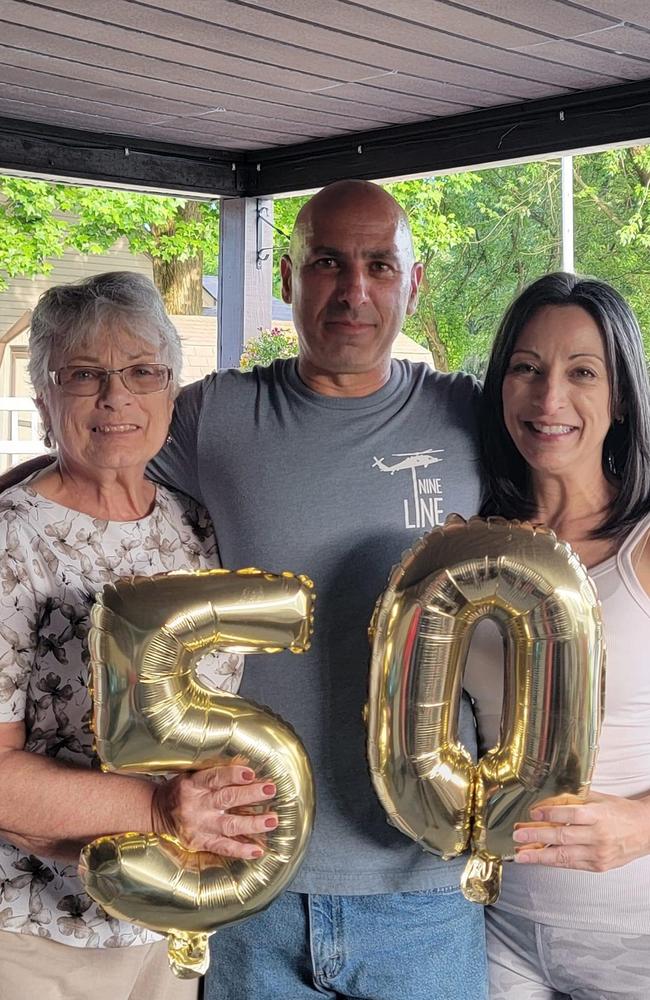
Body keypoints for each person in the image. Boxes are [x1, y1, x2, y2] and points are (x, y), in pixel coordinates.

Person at [148, 180, 488, 1000]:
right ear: (289, 277)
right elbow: (82, 478)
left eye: (379, 264)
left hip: (425, 891)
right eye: (328, 263)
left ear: (415, 282)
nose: (354, 290)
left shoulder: (474, 418)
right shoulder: (216, 417)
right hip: (252, 876)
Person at [0, 272, 276, 1000]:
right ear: (44, 398)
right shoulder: (11, 540)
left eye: (142, 372)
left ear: (171, 392)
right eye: (84, 374)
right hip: (36, 935)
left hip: (174, 924)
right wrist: (155, 810)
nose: (116, 396)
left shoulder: (196, 524)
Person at [464, 272, 650, 1000]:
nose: (549, 400)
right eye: (526, 369)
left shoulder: (644, 547)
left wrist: (641, 824)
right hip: (493, 928)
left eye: (582, 372)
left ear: (622, 397)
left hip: (635, 934)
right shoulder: (472, 548)